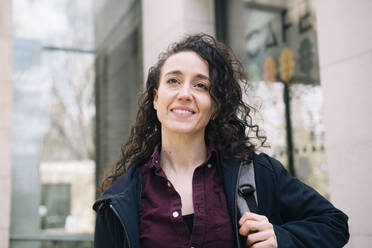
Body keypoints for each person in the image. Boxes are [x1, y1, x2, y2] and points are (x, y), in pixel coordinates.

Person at [93, 33, 349, 248]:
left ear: (215, 106)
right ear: (157, 99)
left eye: (201, 86)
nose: (185, 94)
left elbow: (334, 223)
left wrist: (281, 238)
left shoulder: (257, 174)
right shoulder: (118, 200)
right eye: (174, 81)